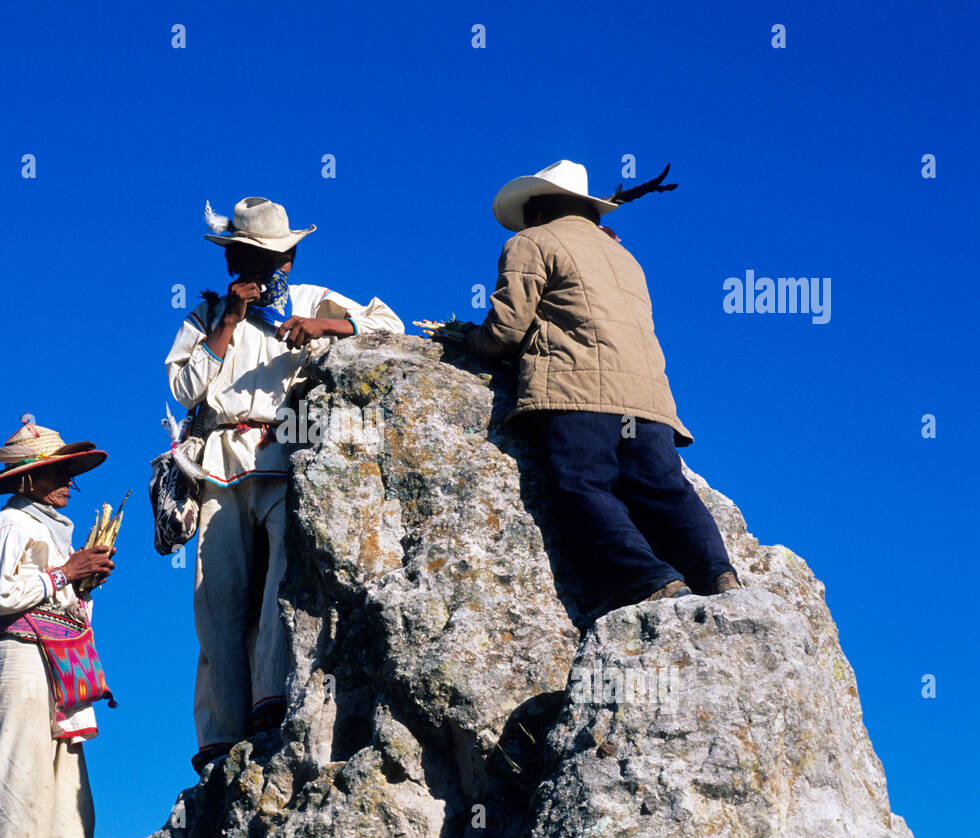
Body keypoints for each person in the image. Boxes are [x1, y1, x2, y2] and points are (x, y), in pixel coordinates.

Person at [166, 197, 404, 774]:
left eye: (273, 258)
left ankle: (270, 704)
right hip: (218, 465)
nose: (263, 270)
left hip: (282, 454)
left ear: (289, 259)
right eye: (249, 258)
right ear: (234, 261)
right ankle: (221, 729)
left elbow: (389, 324)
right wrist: (227, 320)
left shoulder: (310, 300)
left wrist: (326, 327)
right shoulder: (205, 317)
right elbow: (183, 387)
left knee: (279, 587)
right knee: (219, 597)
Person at [463, 160, 740, 613]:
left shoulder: (531, 242)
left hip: (579, 390)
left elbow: (507, 328)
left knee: (582, 485)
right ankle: (718, 572)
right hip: (646, 400)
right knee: (663, 488)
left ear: (540, 207)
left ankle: (653, 579)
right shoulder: (625, 257)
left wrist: (470, 339)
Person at [0, 416, 115, 838]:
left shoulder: (52, 528)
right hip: (22, 657)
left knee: (69, 795)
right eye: (58, 471)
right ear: (29, 477)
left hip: (58, 660)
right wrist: (66, 574)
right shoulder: (12, 523)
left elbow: (50, 590)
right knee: (22, 780)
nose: (69, 481)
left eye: (70, 472)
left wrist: (82, 582)